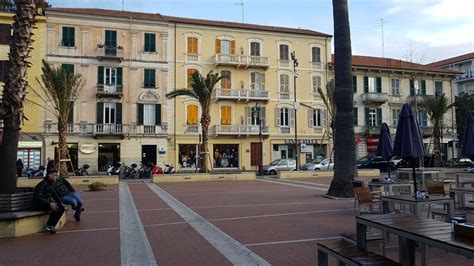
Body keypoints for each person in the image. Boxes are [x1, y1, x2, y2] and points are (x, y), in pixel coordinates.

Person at [32, 169, 65, 234]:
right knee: (58, 208)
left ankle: (50, 225)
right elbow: (37, 197)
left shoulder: (51, 184)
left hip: (46, 203)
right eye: (55, 175)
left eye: (57, 175)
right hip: (38, 204)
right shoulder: (42, 184)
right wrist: (49, 204)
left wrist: (61, 203)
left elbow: (55, 195)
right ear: (50, 176)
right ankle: (49, 225)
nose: (57, 177)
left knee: (61, 207)